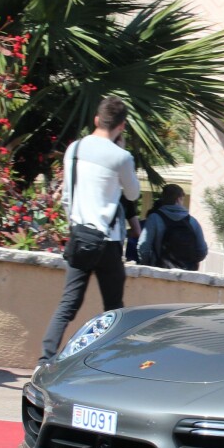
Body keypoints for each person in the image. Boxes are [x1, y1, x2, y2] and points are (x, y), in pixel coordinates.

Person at [38, 96, 141, 365]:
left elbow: (67, 197)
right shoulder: (121, 157)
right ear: (123, 125)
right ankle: (110, 363)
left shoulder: (74, 149)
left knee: (68, 304)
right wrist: (123, 151)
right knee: (113, 309)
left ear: (97, 120)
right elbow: (132, 193)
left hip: (80, 234)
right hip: (107, 241)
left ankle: (45, 358)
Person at [138, 183, 208, 271]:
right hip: (187, 274)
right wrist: (189, 263)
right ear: (178, 200)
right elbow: (202, 251)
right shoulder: (192, 222)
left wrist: (148, 264)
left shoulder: (154, 218)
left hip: (160, 272)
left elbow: (143, 246)